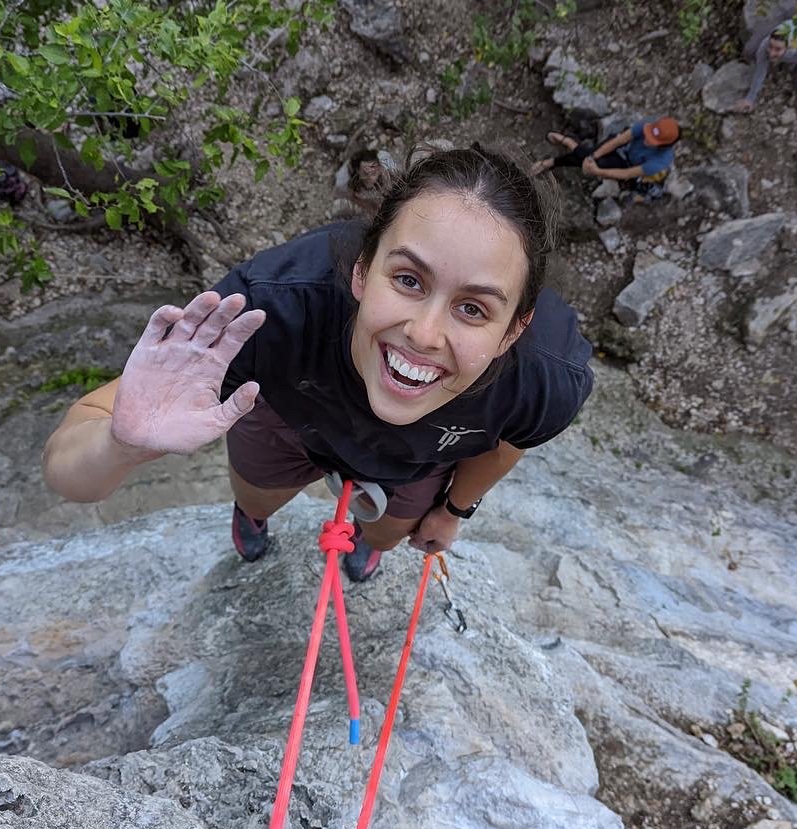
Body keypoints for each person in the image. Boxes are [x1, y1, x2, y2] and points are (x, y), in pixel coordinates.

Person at [42, 146, 595, 583]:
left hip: (417, 459)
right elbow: (70, 460)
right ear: (362, 271)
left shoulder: (544, 379)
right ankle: (253, 516)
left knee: (384, 535)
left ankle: (367, 542)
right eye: (408, 280)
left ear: (513, 330)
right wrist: (122, 446)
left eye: (473, 309)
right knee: (256, 495)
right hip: (291, 411)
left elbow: (508, 439)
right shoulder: (269, 309)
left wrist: (453, 511)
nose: (424, 334)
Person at [529, 117, 680, 200]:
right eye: (647, 135)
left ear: (664, 145)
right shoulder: (648, 125)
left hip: (626, 163)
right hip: (621, 148)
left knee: (592, 162)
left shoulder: (660, 161)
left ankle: (561, 150)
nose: (646, 140)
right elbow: (618, 141)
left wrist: (597, 171)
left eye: (652, 141)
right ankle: (562, 149)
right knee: (587, 156)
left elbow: (627, 174)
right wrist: (593, 156)